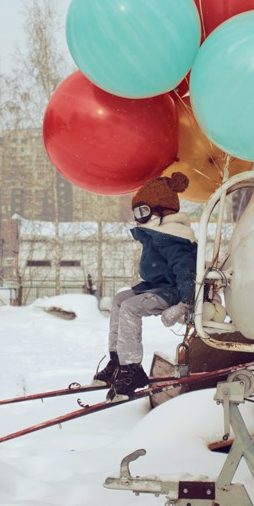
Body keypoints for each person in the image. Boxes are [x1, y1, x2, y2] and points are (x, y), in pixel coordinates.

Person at [94, 171, 197, 399]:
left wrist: (185, 303)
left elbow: (186, 272)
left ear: (162, 210)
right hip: (156, 287)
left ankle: (132, 370)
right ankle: (118, 362)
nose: (138, 218)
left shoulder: (174, 236)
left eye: (143, 211)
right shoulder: (157, 234)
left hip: (173, 292)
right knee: (121, 299)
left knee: (131, 307)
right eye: (136, 213)